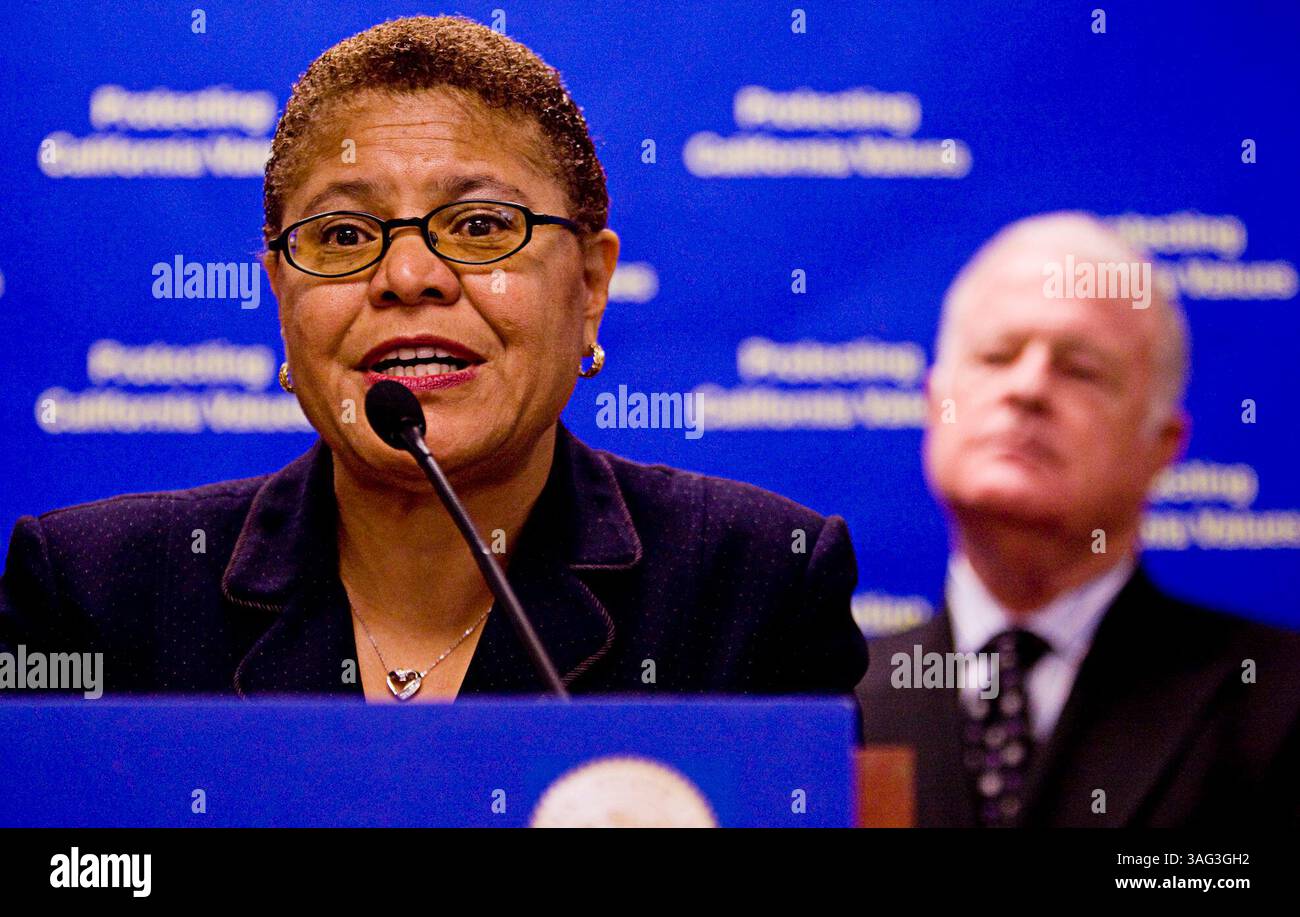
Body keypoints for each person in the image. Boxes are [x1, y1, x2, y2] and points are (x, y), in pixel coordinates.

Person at [0, 16, 867, 703]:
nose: (408, 275)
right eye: (342, 235)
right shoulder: (97, 596)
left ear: (592, 286)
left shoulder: (755, 585)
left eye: (483, 226)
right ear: (279, 296)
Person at [857, 212, 1300, 826]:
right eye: (996, 355)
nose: (1029, 388)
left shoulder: (1277, 704)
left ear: (1162, 445)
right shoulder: (826, 707)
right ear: (937, 403)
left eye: (1081, 370)